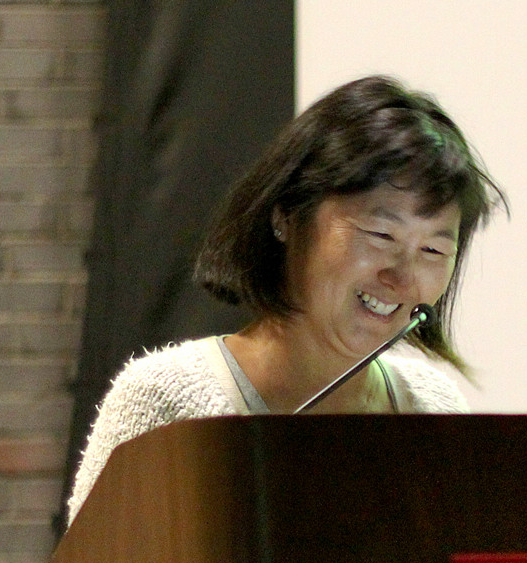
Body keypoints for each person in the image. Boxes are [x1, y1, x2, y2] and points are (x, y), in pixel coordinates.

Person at [65, 75, 504, 523]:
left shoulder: (433, 407)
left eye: (433, 250)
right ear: (287, 217)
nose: (402, 276)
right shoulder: (166, 401)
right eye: (380, 234)